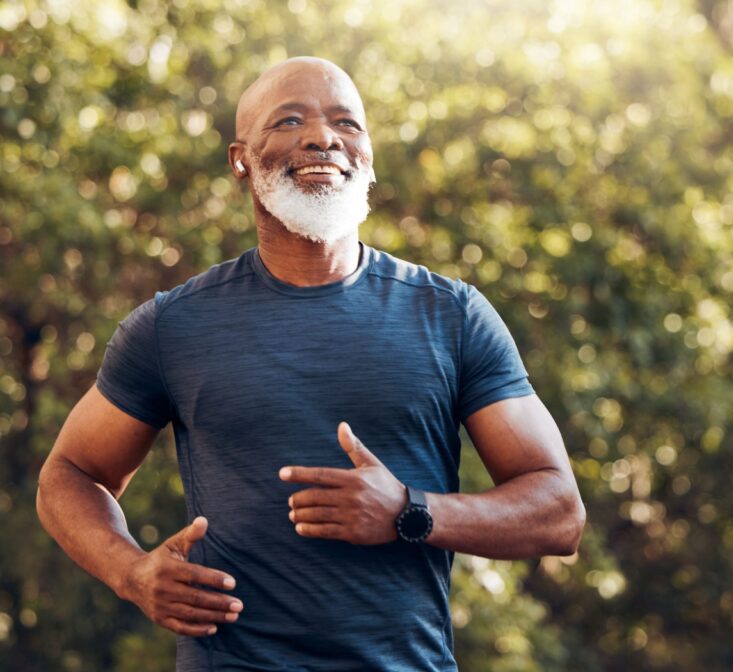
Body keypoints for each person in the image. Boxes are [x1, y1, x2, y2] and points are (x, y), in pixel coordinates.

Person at [36, 56, 586, 671]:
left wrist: (409, 510)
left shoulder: (451, 316)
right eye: (289, 120)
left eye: (346, 123)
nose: (323, 137)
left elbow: (559, 512)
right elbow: (71, 473)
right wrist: (130, 572)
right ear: (240, 158)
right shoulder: (173, 325)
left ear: (367, 154)